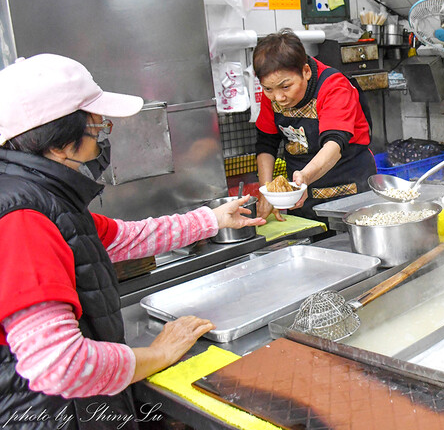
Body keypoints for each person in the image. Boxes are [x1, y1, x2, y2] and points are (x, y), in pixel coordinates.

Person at [0, 54, 265, 428]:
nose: (100, 144)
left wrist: (213, 219)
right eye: (97, 130)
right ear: (59, 145)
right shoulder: (23, 217)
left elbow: (121, 239)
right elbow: (60, 365)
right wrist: (158, 354)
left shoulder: (44, 198)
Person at [253, 29, 376, 220]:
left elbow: (335, 144)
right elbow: (266, 142)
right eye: (268, 89)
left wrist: (305, 177)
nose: (278, 97)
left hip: (348, 189)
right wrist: (266, 193)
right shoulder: (275, 94)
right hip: (302, 194)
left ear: (306, 71)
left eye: (286, 87)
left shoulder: (334, 86)